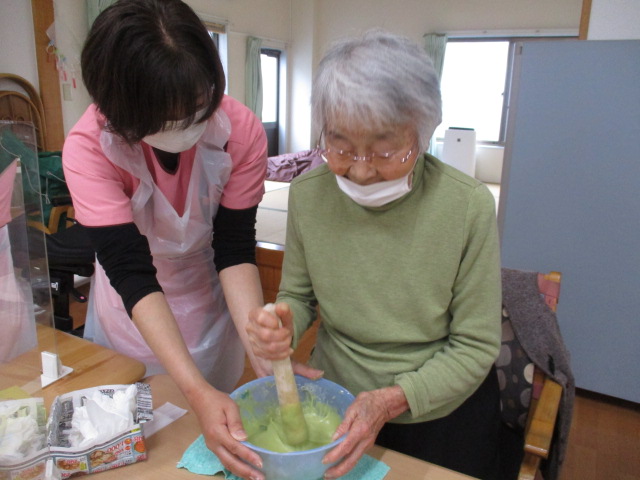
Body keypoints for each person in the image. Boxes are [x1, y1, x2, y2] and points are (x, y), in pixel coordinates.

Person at [247, 30, 503, 480]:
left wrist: (389, 399)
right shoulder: (308, 196)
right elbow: (300, 295)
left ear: (423, 134)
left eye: (385, 150)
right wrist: (286, 319)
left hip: (439, 411)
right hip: (337, 401)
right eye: (341, 147)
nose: (361, 170)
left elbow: (476, 345)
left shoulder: (468, 206)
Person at [63, 1, 268, 478]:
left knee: (206, 432)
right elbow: (131, 272)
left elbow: (235, 249)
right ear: (122, 112)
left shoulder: (241, 132)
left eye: (199, 107)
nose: (189, 127)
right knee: (148, 449)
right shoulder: (90, 147)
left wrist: (264, 357)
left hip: (210, 299)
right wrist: (195, 392)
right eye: (167, 119)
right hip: (134, 313)